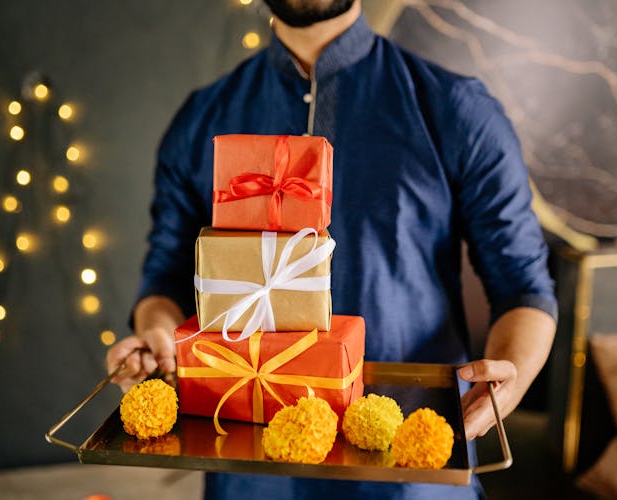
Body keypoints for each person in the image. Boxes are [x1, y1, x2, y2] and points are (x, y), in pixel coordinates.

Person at [107, 0, 558, 498]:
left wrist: (507, 380)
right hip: (250, 474)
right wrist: (155, 333)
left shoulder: (456, 108)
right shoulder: (201, 120)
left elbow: (523, 286)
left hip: (411, 469)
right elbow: (165, 278)